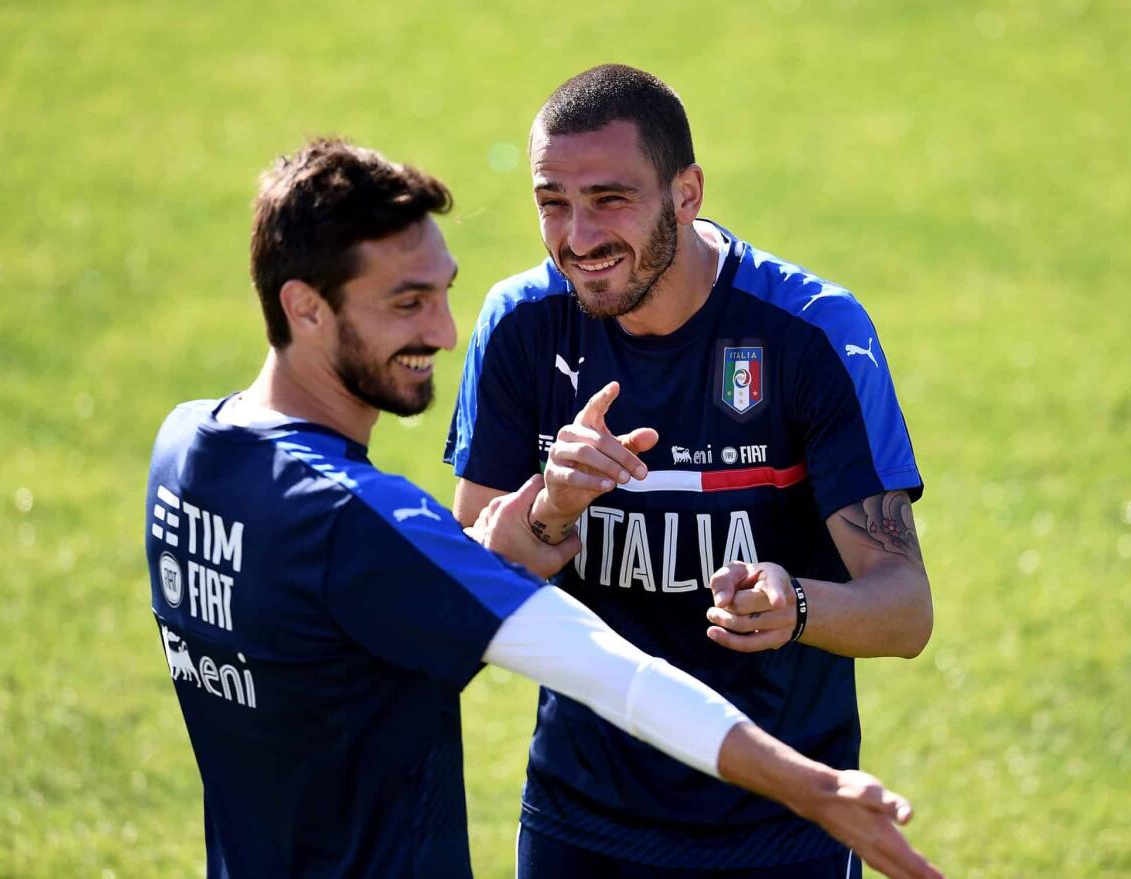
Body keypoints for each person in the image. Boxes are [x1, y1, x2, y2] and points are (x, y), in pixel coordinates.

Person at [145, 138, 941, 879]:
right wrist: (812, 787)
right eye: (407, 303)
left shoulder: (185, 450)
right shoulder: (361, 524)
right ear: (306, 307)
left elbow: (459, 581)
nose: (447, 331)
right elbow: (612, 674)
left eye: (443, 294)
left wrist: (553, 513)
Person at [446, 65, 934, 879]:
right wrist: (550, 514)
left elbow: (905, 610)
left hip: (783, 823)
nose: (577, 236)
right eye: (551, 202)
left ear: (687, 191)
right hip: (582, 820)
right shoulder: (520, 326)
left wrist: (797, 605)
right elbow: (463, 598)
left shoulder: (807, 332)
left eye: (610, 199)